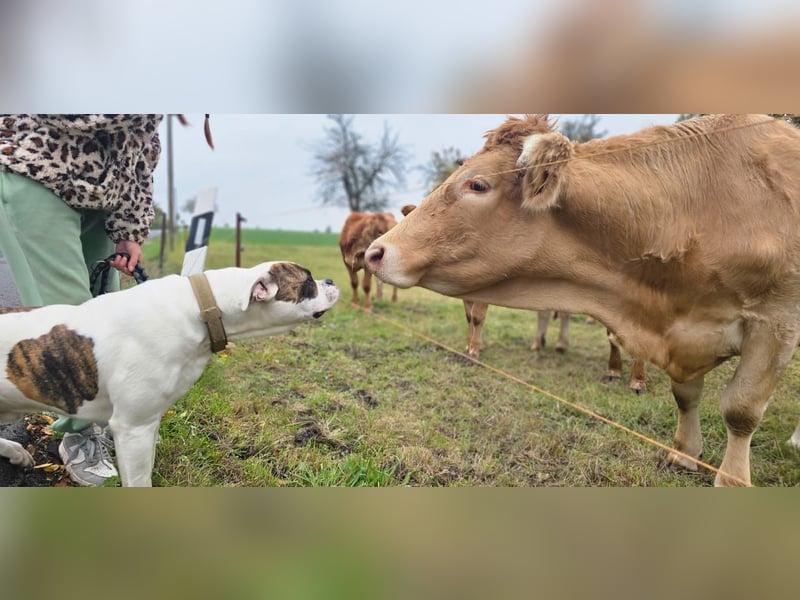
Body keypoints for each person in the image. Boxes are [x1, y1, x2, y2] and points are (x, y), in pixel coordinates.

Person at [0, 114, 163, 486]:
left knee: (109, 318)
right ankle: (79, 433)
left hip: (101, 197)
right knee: (70, 323)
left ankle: (100, 419)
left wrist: (129, 228)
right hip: (34, 168)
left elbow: (141, 149)